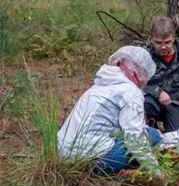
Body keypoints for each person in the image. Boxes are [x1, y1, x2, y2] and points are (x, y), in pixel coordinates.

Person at [57, 46, 162, 177]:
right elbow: (135, 139)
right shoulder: (131, 91)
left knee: (147, 133)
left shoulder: (100, 84)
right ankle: (128, 177)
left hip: (63, 155)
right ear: (139, 71)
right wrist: (157, 172)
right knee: (153, 136)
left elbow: (106, 125)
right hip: (91, 162)